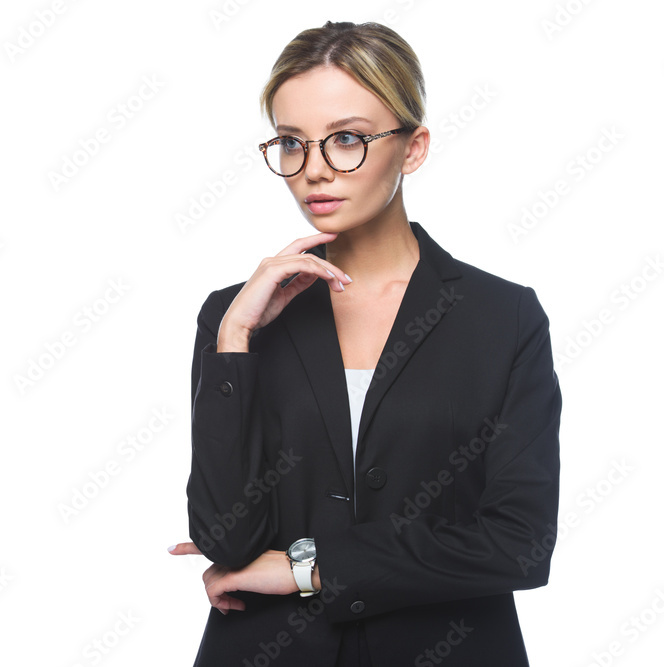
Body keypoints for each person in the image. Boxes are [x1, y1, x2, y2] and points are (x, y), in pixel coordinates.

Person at [167, 21, 562, 666]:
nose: (315, 172)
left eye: (347, 139)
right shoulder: (233, 317)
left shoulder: (502, 317)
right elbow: (224, 535)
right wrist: (233, 340)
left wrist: (310, 568)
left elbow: (517, 545)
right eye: (293, 144)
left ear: (413, 147)